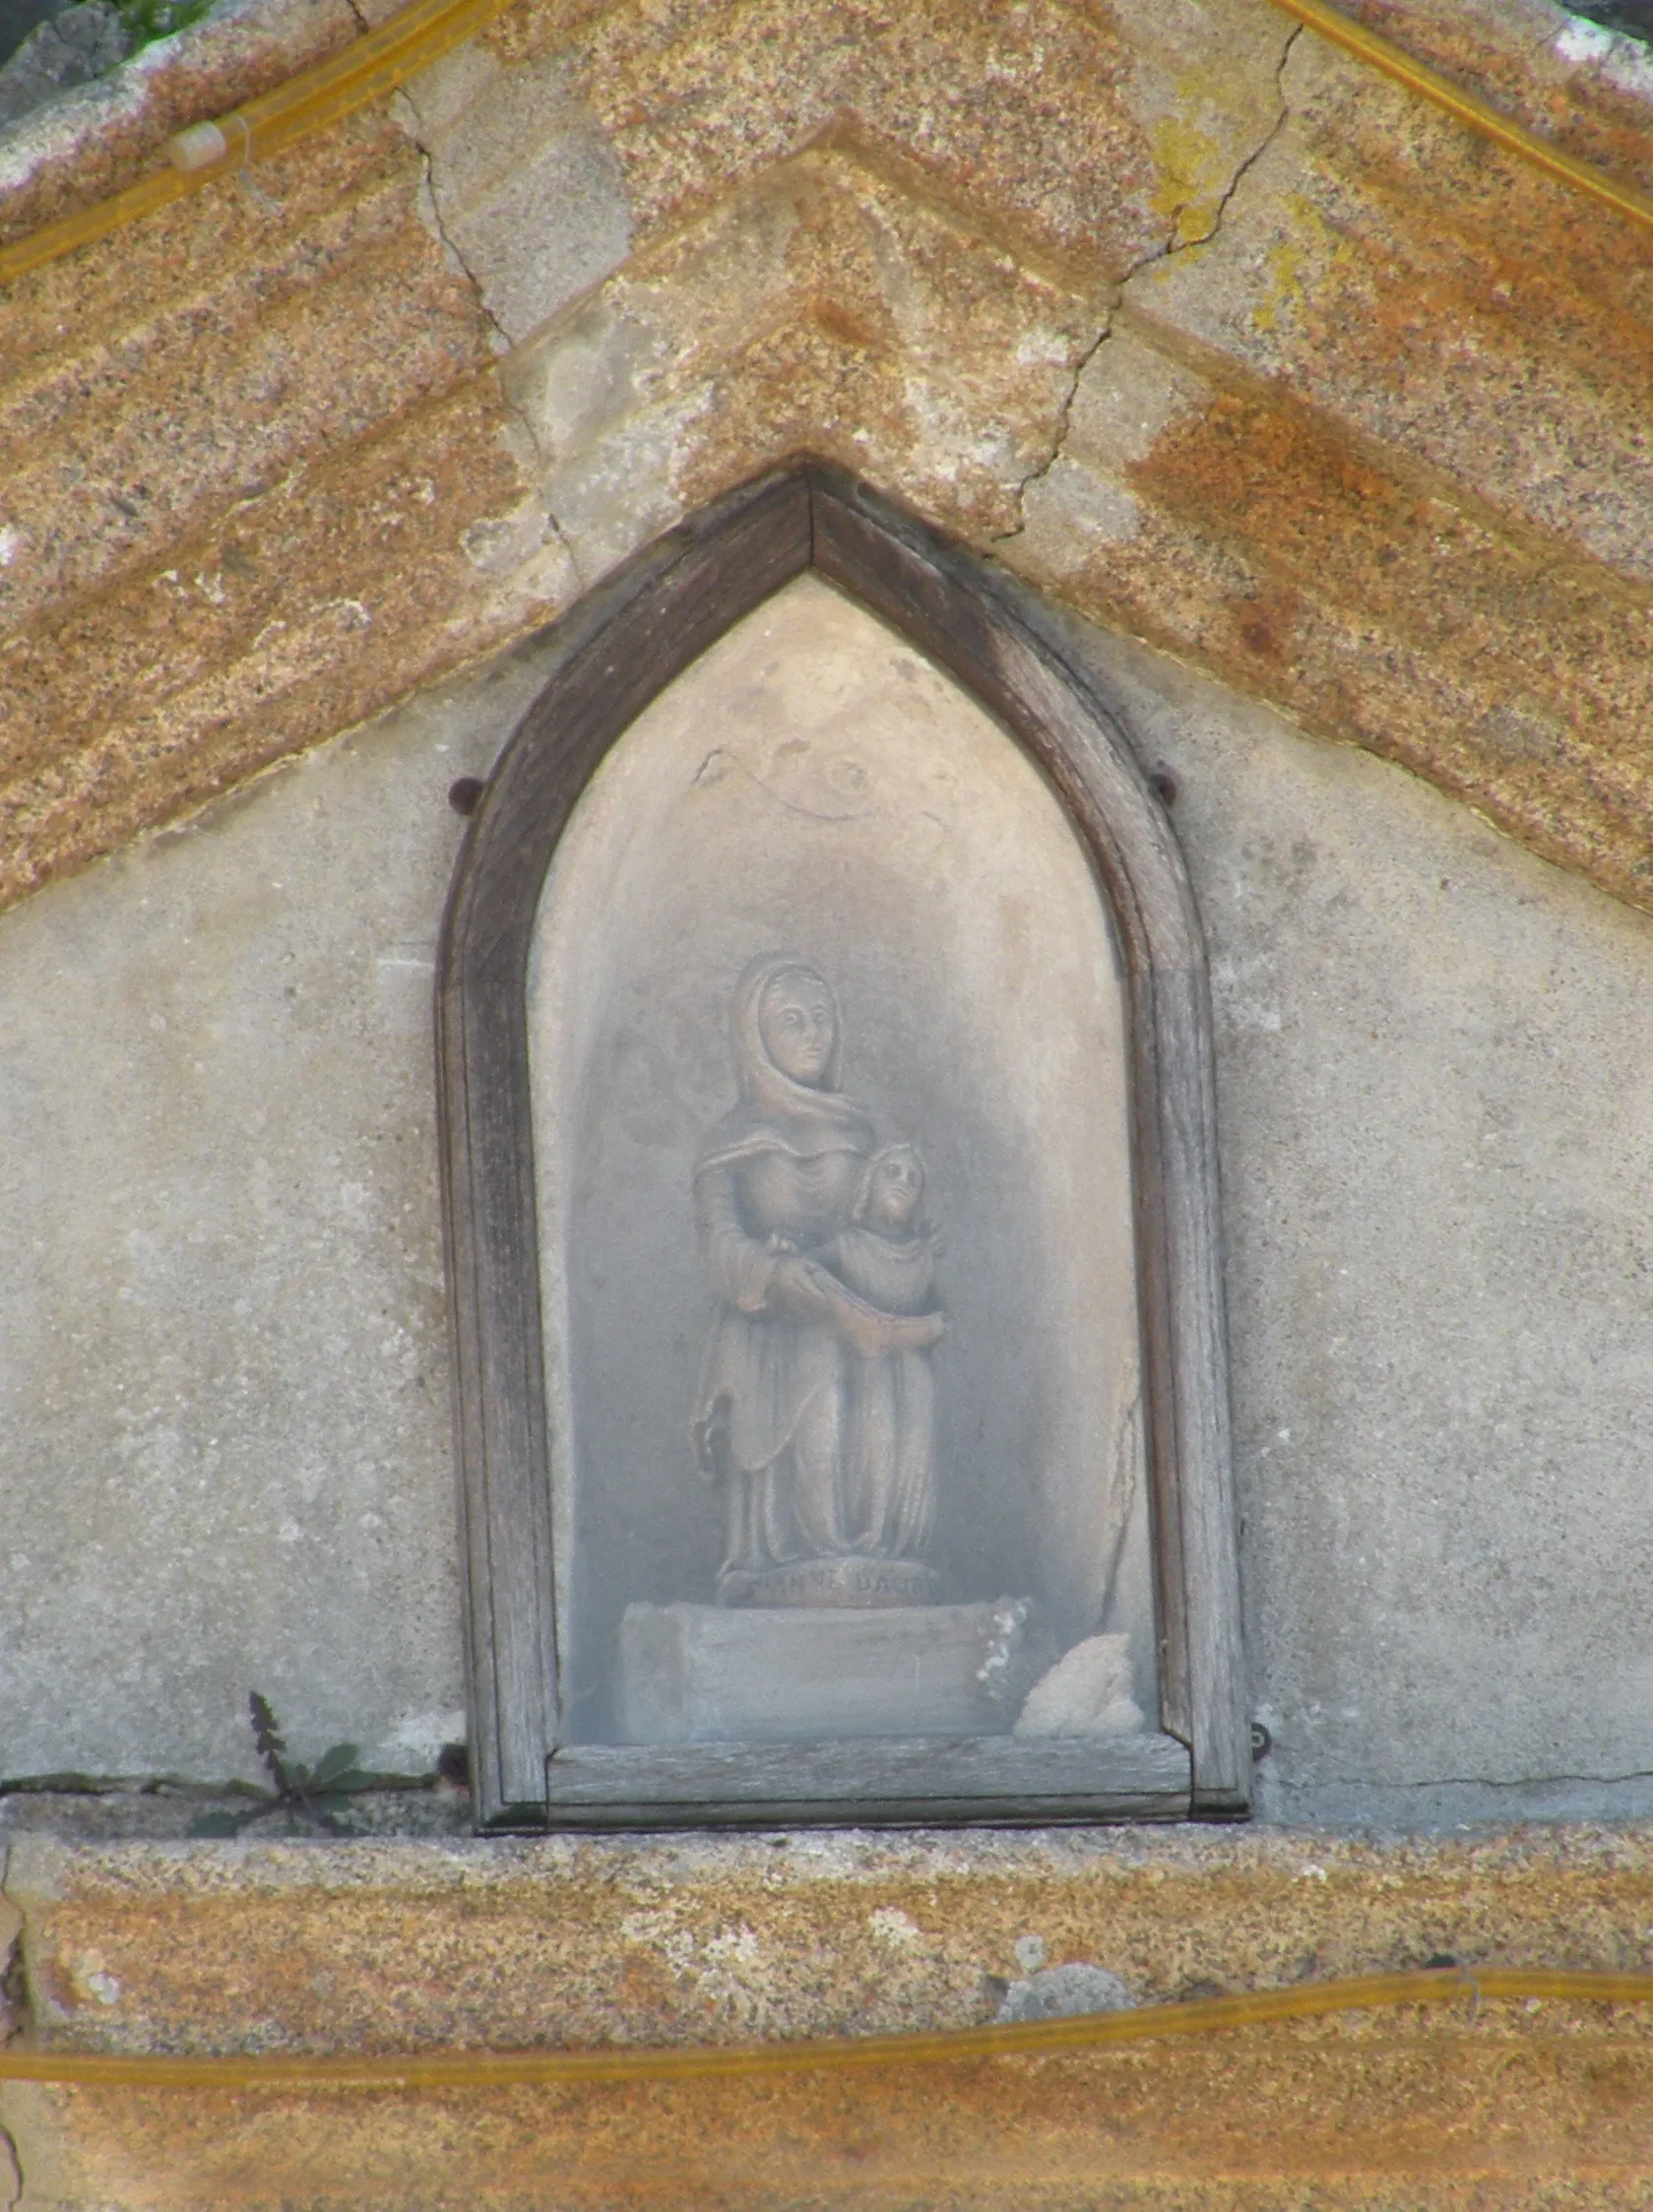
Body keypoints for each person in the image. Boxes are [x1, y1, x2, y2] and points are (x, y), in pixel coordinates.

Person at [691, 954, 943, 1602]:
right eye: (791, 1020)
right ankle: (806, 1551)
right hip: (770, 1326)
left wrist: (893, 1259)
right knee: (820, 1368)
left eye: (821, 1018)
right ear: (755, 1034)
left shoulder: (860, 1134)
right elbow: (720, 1250)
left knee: (894, 1376)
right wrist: (774, 1272)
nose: (812, 1034)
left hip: (862, 1312)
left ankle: (878, 1548)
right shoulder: (731, 1139)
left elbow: (892, 1224)